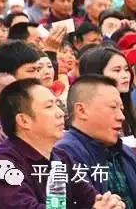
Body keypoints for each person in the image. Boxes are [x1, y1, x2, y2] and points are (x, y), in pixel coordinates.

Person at [0, 78, 124, 209]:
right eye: (49, 106)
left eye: (57, 104)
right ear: (23, 120)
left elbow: (91, 199)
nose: (60, 113)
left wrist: (109, 204)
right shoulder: (2, 163)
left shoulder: (62, 158)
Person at [54, 75, 136, 206]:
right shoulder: (63, 154)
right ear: (81, 110)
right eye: (113, 107)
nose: (121, 117)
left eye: (121, 109)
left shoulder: (125, 152)